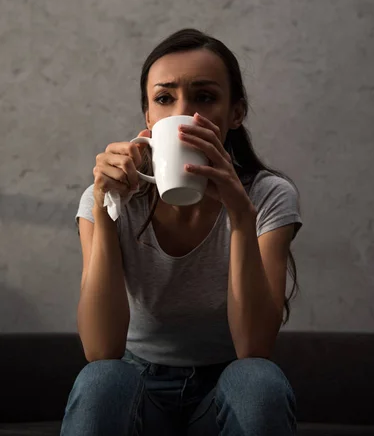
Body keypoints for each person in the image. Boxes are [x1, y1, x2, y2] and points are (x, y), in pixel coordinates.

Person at [61, 28, 302, 436]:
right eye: (164, 98)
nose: (184, 114)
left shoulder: (267, 195)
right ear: (149, 118)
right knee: (102, 380)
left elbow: (255, 349)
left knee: (258, 381)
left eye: (205, 97)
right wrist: (105, 208)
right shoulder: (109, 197)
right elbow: (100, 351)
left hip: (226, 386)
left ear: (236, 113)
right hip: (139, 387)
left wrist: (241, 216)